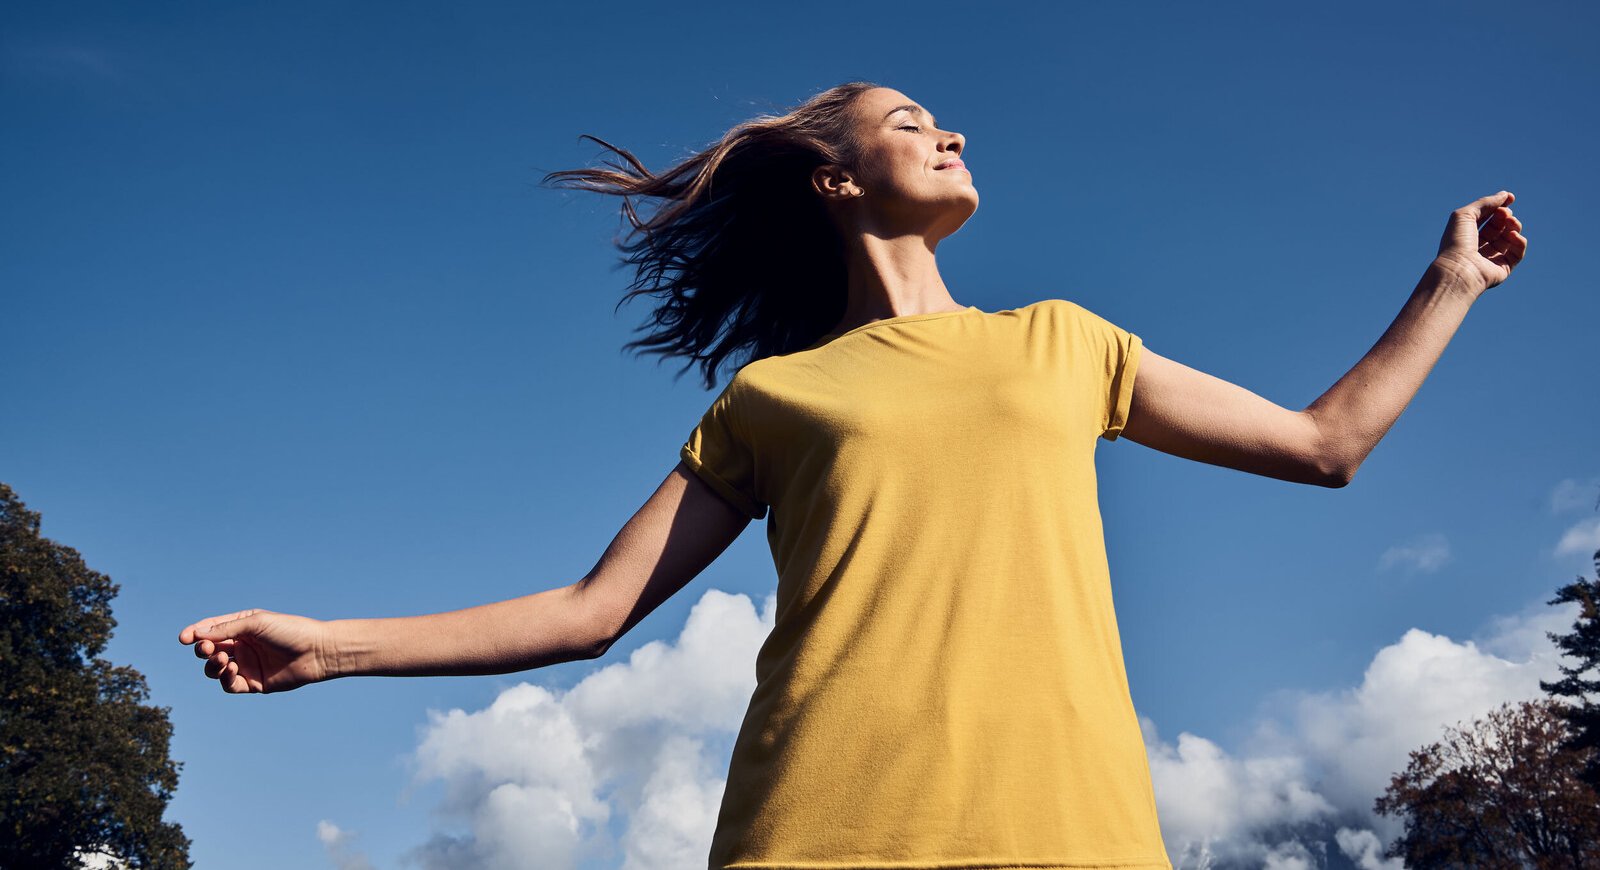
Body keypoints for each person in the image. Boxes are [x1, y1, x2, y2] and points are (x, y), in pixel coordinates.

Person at [180, 83, 1526, 870]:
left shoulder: (1068, 341)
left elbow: (1325, 445)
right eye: (909, 119)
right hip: (816, 837)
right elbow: (592, 612)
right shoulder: (774, 396)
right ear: (835, 181)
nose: (949, 133)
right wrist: (336, 647)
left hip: (1076, 835)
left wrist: (1450, 279)